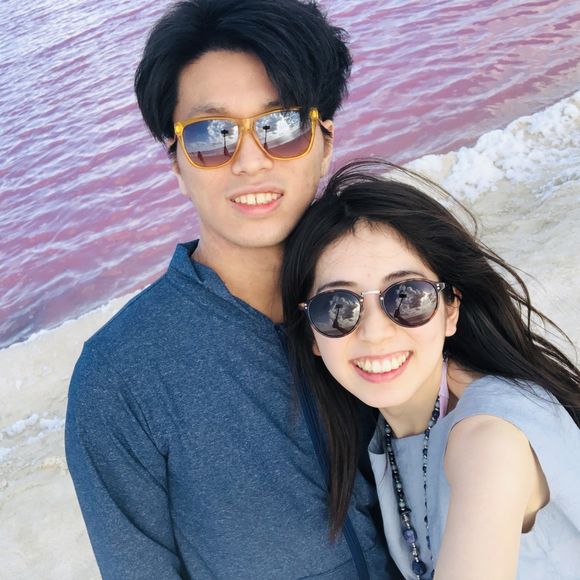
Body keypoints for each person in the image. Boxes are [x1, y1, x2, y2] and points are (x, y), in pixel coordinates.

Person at [65, 2, 401, 579]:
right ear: (177, 164)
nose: (249, 161)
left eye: (281, 126)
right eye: (211, 135)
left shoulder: (399, 297)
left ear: (324, 140)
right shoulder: (119, 377)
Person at [282, 160, 580, 580]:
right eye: (337, 307)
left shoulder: (489, 440)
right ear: (312, 334)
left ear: (450, 309)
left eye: (407, 297)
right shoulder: (388, 432)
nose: (375, 334)